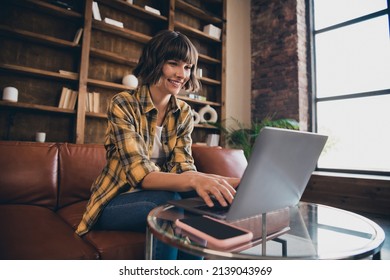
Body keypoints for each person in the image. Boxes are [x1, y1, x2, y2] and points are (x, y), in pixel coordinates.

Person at [76, 30, 240, 259]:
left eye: (188, 67)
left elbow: (183, 167)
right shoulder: (123, 104)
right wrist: (196, 179)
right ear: (155, 62)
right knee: (169, 203)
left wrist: (234, 182)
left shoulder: (183, 113)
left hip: (163, 196)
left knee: (199, 204)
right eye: (173, 63)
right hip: (117, 200)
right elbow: (140, 174)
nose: (181, 74)